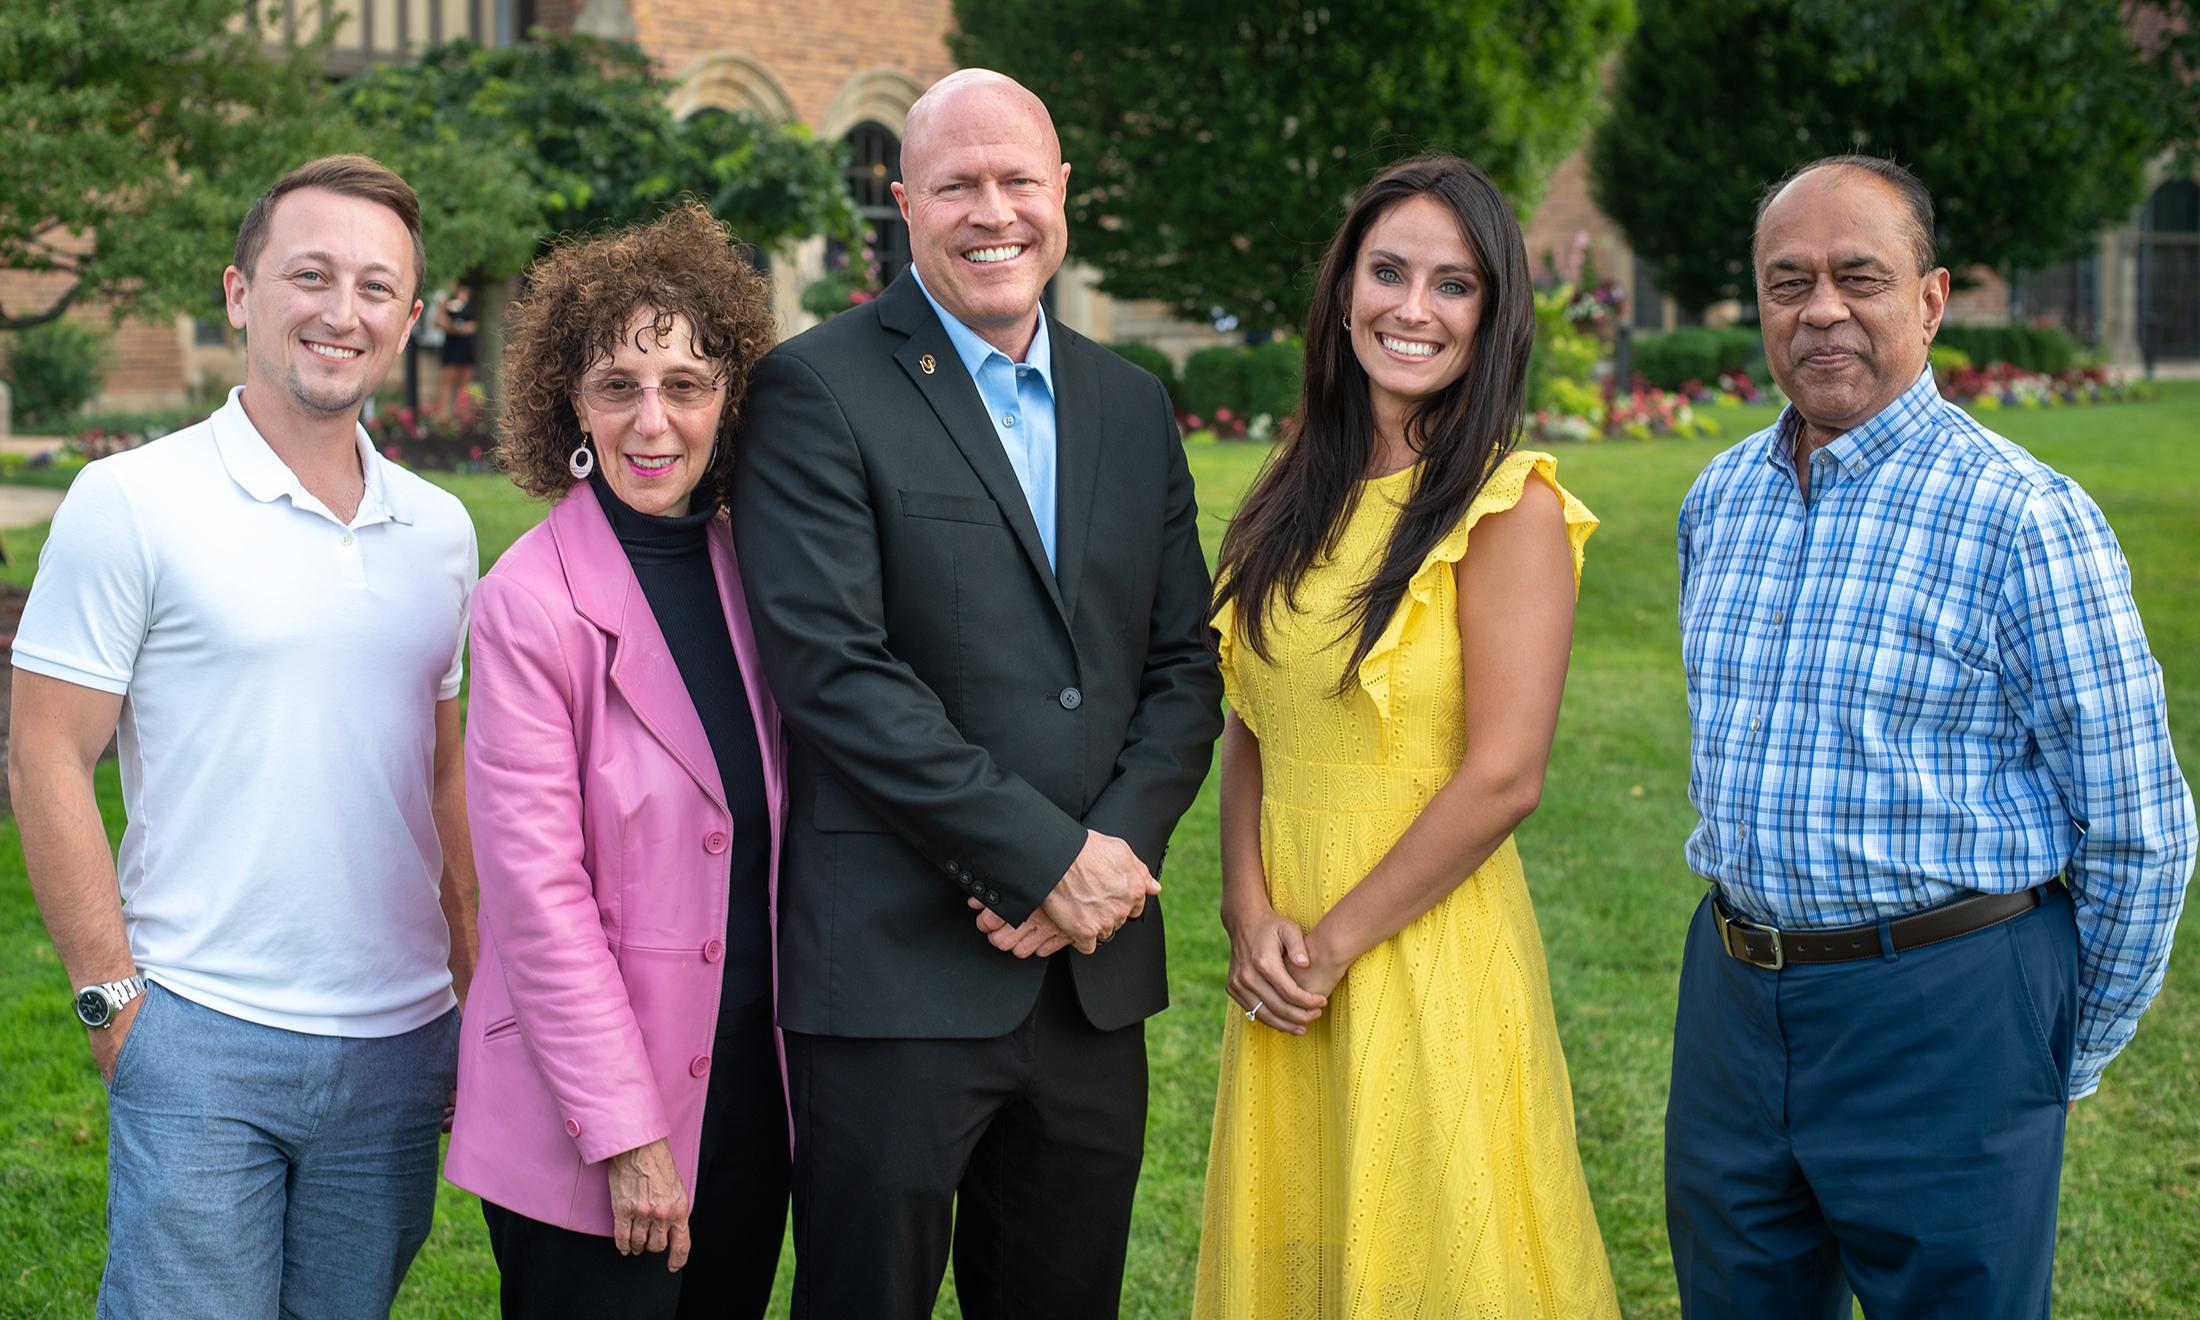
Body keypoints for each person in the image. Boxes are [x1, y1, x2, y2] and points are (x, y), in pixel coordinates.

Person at [728, 69, 1223, 1319]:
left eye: (1017, 181)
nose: (991, 211)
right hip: (896, 978)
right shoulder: (816, 389)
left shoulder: (1129, 404)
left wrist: (1106, 864)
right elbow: (835, 675)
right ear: (904, 204)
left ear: (1062, 195)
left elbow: (1181, 666)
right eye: (957, 185)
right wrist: (1043, 863)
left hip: (1089, 982)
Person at [1669, 155, 2197, 1317]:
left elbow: (2139, 829)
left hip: (1946, 1013)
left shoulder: (2023, 517)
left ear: (1930, 298)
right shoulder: (1719, 500)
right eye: (1786, 281)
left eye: (1859, 276)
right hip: (1733, 1008)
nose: (1819, 310)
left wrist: (2047, 1045)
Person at [7, 154, 478, 1318]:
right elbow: (46, 754)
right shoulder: (133, 502)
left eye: (377, 288)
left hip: (400, 1038)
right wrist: (112, 1005)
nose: (341, 311)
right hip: (200, 1033)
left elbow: (445, 769)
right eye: (309, 274)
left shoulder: (443, 529)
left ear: (410, 321)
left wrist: (473, 984)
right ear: (239, 293)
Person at [1193, 154, 1618, 1318]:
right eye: (1387, 272)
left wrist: (1332, 946)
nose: (1412, 309)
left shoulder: (1509, 507)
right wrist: (1248, 909)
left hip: (1419, 946)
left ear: (1492, 317)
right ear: (1343, 293)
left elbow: (1504, 778)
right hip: (1286, 954)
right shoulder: (1293, 496)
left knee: (1437, 1255)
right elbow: (1251, 719)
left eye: (1453, 284)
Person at [440, 203, 787, 1319]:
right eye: (618, 383)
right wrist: (630, 1137)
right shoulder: (527, 603)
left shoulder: (757, 574)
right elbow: (538, 901)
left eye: (686, 384)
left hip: (745, 1093)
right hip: (585, 1117)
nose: (653, 418)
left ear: (727, 404)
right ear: (569, 402)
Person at [437, 278, 480, 418]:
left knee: (465, 382)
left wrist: (467, 328)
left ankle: (461, 415)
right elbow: (439, 320)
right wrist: (452, 327)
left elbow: (475, 324)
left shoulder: (472, 301)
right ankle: (443, 416)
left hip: (466, 344)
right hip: (452, 343)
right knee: (448, 380)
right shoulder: (448, 301)